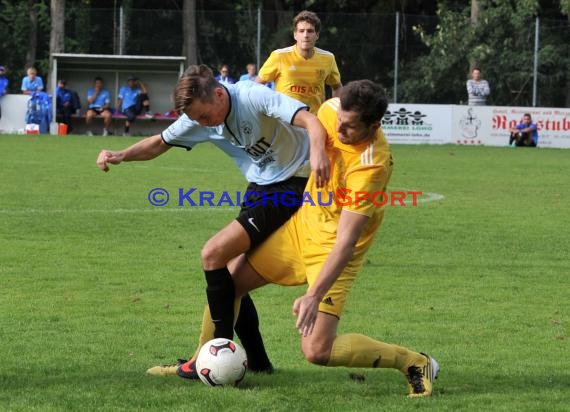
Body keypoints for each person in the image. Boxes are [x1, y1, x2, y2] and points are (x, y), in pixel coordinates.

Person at [173, 80, 440, 397]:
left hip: (332, 251)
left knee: (317, 350)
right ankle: (201, 361)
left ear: (375, 125)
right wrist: (316, 149)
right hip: (300, 229)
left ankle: (412, 361)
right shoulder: (332, 110)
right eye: (340, 122)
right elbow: (312, 123)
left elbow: (346, 242)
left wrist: (313, 296)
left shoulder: (371, 165)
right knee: (228, 284)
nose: (339, 132)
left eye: (351, 128)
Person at [96, 64, 330, 378]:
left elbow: (311, 121)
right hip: (260, 187)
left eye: (204, 117)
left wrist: (317, 153)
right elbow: (159, 143)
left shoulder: (253, 95)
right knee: (231, 280)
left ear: (219, 94)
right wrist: (121, 154)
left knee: (213, 253)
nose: (202, 125)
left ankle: (214, 353)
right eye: (196, 120)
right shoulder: (198, 118)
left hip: (293, 184)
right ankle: (258, 363)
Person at [256, 10, 342, 114]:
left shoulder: (328, 58)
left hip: (314, 121)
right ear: (295, 35)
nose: (306, 35)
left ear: (317, 35)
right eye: (301, 31)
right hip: (284, 122)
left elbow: (337, 87)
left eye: (310, 31)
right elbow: (257, 85)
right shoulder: (279, 56)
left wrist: (337, 112)